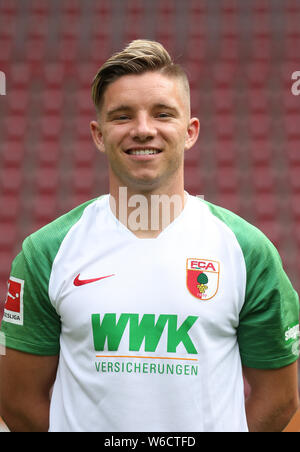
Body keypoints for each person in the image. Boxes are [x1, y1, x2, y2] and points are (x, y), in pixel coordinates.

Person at [0, 40, 299, 433]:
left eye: (162, 114)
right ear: (98, 134)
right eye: (122, 117)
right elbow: (16, 399)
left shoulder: (247, 250)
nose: (143, 130)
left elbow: (280, 397)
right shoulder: (46, 252)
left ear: (190, 131)